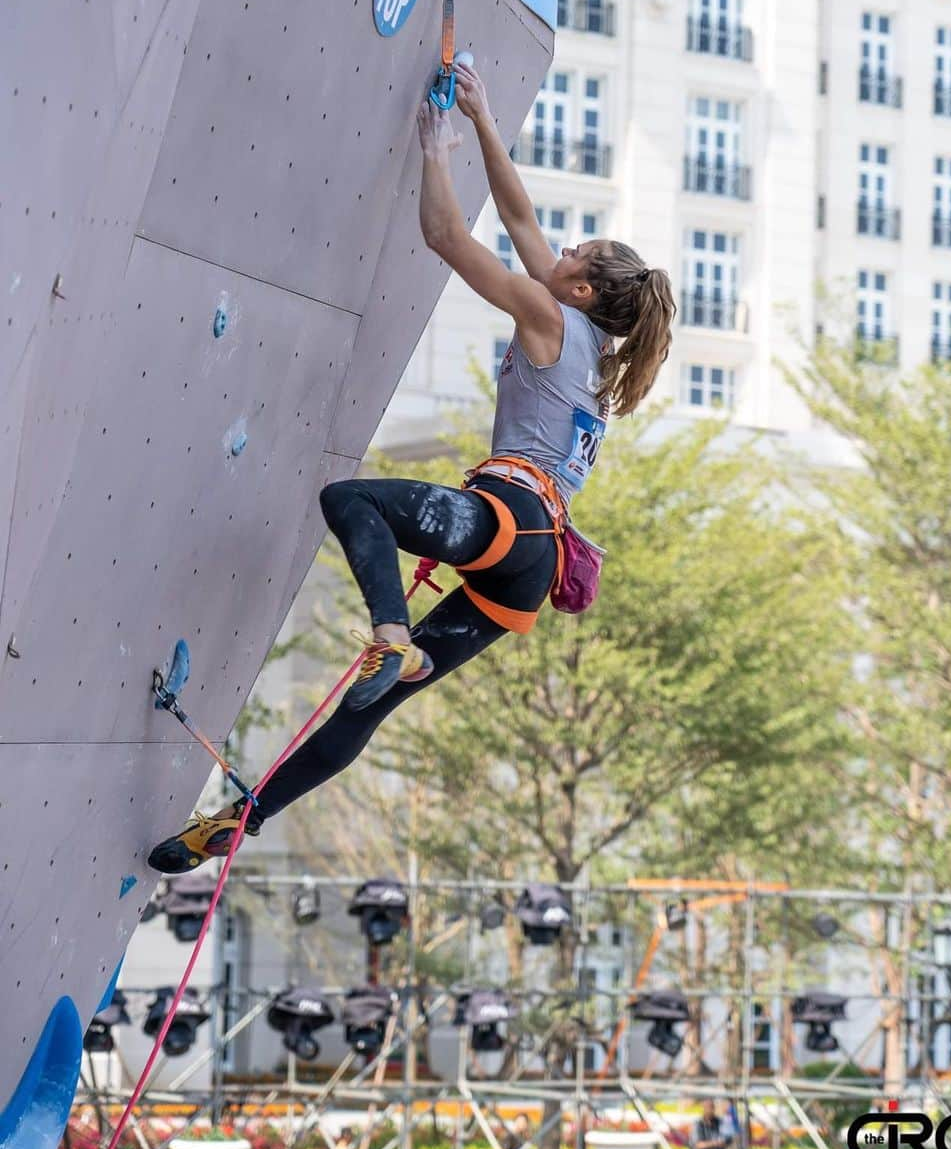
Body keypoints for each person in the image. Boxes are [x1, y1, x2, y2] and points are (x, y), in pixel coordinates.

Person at [147, 62, 677, 873]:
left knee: (352, 500)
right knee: (374, 706)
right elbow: (521, 214)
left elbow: (448, 239)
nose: (559, 247)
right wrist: (483, 116)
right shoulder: (589, 346)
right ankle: (244, 817)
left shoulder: (549, 314)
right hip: (529, 565)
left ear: (577, 286)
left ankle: (393, 633)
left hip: (509, 520)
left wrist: (438, 150)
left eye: (576, 251)